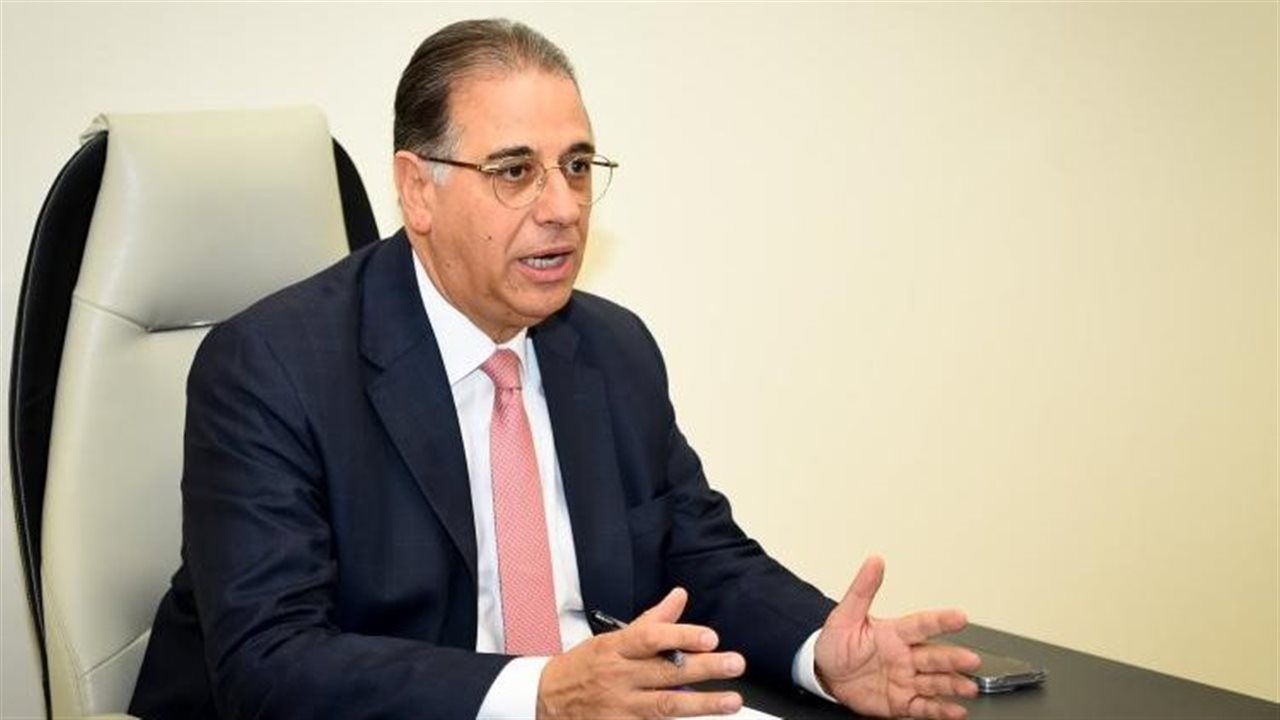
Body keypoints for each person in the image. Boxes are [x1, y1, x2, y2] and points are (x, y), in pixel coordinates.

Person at [130, 18, 980, 720]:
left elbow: (700, 552)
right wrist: (540, 694)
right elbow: (269, 665)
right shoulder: (271, 368)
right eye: (516, 172)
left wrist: (819, 648)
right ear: (418, 191)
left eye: (576, 166)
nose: (565, 207)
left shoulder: (612, 349)